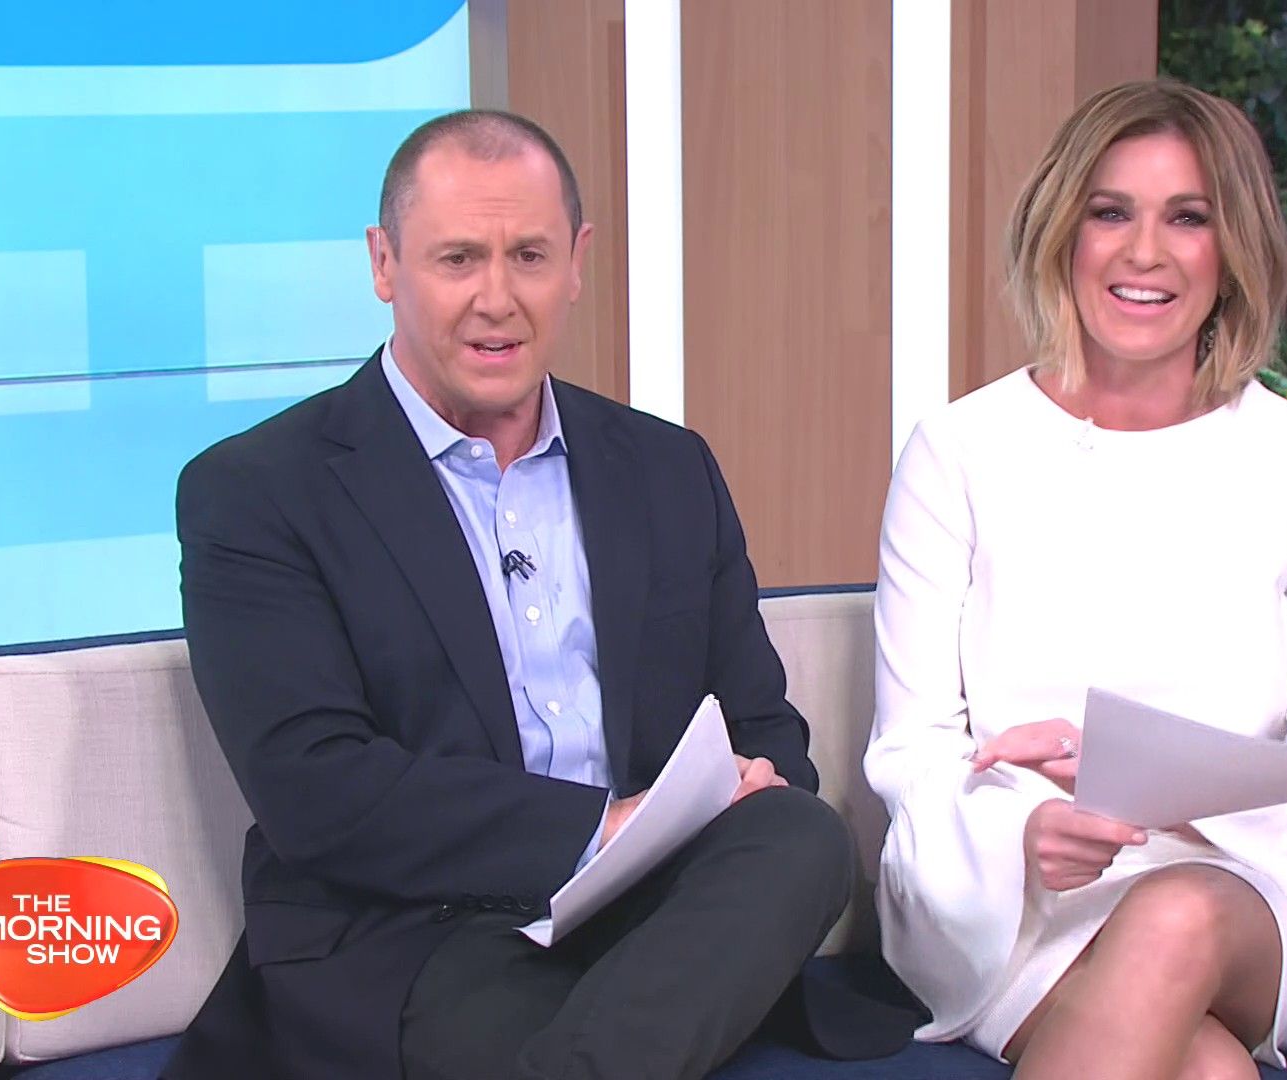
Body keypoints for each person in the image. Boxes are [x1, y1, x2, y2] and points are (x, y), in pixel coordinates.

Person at [165, 109, 904, 1080]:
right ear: (384, 264)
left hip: (654, 919)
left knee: (800, 835)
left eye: (529, 256)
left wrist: (747, 786)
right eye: (458, 259)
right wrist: (599, 830)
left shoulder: (668, 469)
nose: (497, 299)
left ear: (577, 263)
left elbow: (762, 728)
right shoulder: (260, 491)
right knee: (571, 1027)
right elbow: (317, 789)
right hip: (415, 940)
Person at [865, 79, 1287, 1079]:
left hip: (1243, 883)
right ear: (1063, 233)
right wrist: (1025, 832)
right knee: (1208, 1070)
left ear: (1233, 251)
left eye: (1188, 218)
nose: (1144, 252)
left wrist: (1166, 803)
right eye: (1111, 212)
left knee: (1174, 912)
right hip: (1008, 891)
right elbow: (911, 750)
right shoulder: (959, 451)